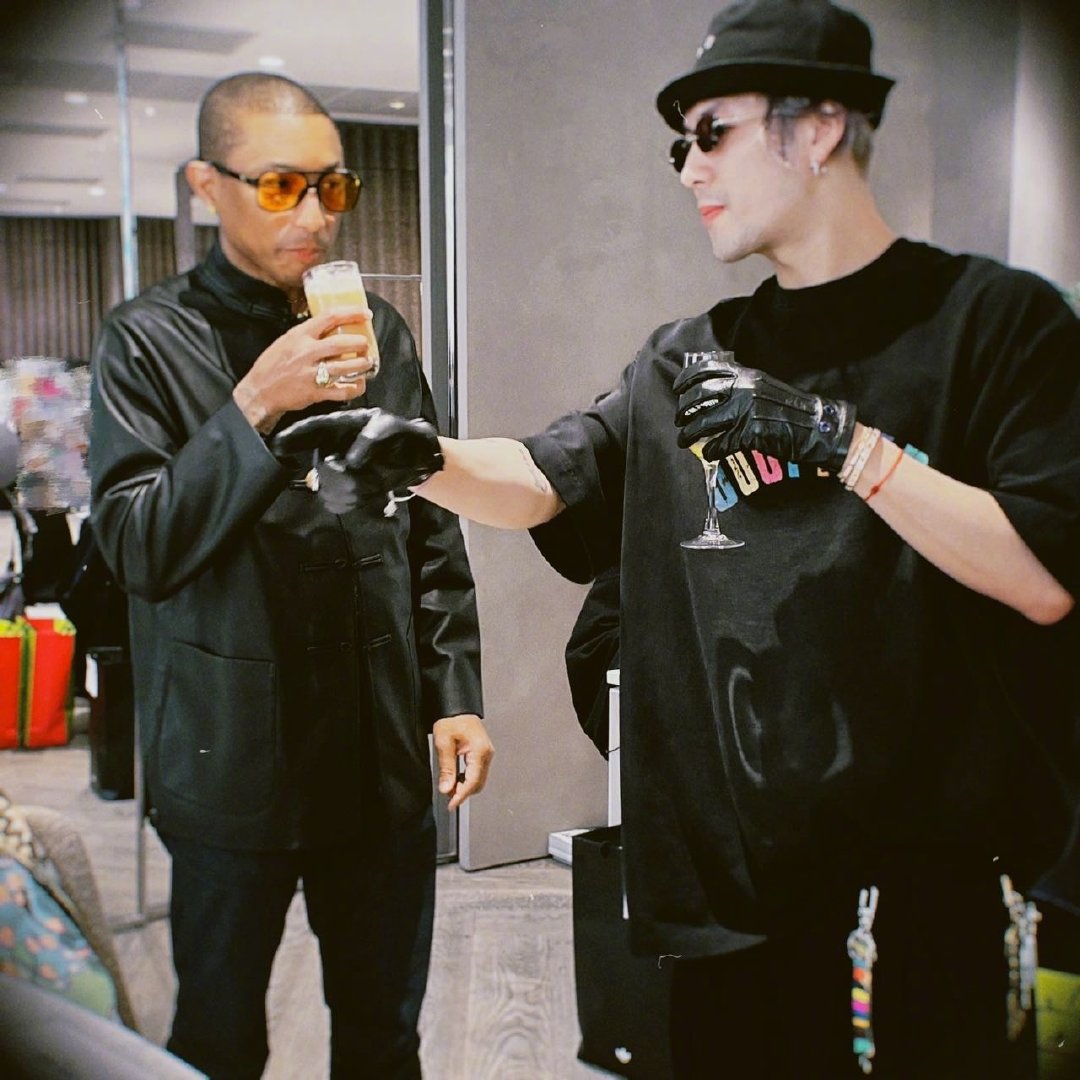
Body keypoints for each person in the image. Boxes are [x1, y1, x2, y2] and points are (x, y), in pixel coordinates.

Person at [275, 1, 1080, 1077]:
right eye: (679, 146)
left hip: (924, 891)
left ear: (820, 127)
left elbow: (1043, 576)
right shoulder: (687, 358)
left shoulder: (995, 322)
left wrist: (844, 445)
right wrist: (421, 458)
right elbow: (548, 480)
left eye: (713, 134)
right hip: (734, 899)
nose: (690, 168)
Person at [89, 72, 493, 1080]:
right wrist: (253, 407)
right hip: (231, 757)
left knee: (384, 1037)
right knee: (220, 1039)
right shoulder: (147, 339)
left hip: (377, 752)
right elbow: (139, 546)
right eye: (280, 186)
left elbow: (427, 513)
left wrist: (453, 692)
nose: (313, 215)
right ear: (207, 186)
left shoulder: (376, 329)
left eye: (332, 186)